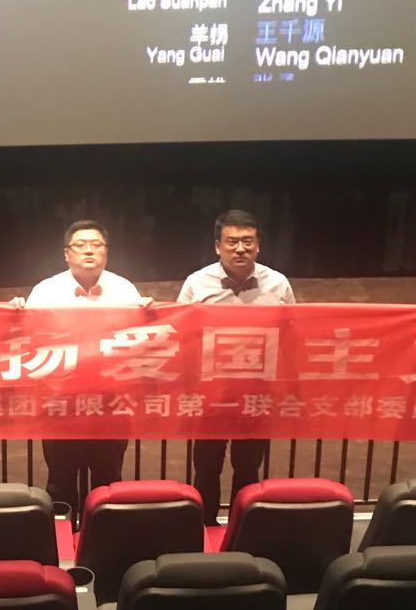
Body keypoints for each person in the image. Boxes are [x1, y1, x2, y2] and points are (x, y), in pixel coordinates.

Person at [24, 219, 149, 518]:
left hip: (111, 404)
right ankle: (62, 541)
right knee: (60, 481)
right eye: (80, 245)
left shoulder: (125, 290)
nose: (88, 251)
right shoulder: (46, 291)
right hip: (60, 404)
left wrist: (150, 315)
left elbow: (141, 342)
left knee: (108, 481)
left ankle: (103, 539)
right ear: (66, 253)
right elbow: (27, 338)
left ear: (106, 251)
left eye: (96, 245)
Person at [177, 208, 294, 524]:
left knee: (248, 467)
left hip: (256, 393)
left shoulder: (277, 284)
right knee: (206, 466)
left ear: (258, 245)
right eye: (232, 242)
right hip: (210, 394)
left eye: (247, 241)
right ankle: (204, 527)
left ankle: (243, 528)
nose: (240, 249)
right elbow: (180, 334)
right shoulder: (197, 283)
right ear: (218, 246)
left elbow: (291, 334)